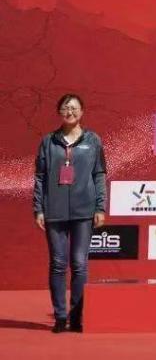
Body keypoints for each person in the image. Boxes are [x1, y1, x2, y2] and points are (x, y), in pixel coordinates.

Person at [32, 94, 107, 333]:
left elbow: (99, 174)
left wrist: (100, 206)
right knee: (58, 263)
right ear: (59, 112)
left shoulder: (93, 140)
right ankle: (60, 316)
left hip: (84, 210)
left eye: (74, 108)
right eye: (65, 108)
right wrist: (38, 208)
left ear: (82, 111)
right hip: (54, 210)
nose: (70, 112)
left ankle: (76, 317)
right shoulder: (48, 141)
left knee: (79, 263)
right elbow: (40, 177)